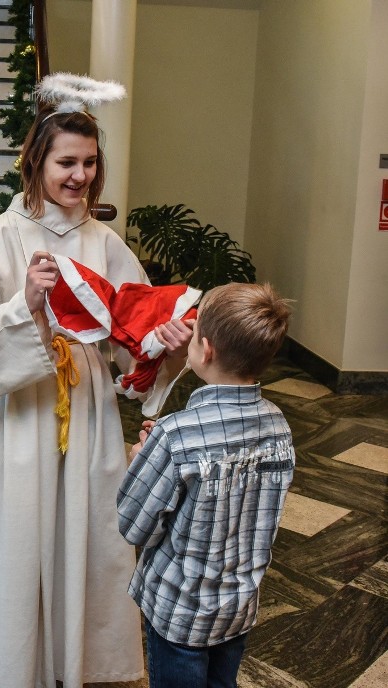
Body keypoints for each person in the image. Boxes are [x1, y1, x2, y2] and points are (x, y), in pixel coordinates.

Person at [0, 99, 192, 686]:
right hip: (24, 406)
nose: (80, 176)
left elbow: (135, 331)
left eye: (90, 163)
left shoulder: (104, 240)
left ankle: (81, 661)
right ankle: (13, 665)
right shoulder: (0, 235)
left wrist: (165, 338)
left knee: (91, 530)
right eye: (66, 162)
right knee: (18, 534)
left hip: (90, 404)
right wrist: (25, 305)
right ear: (36, 163)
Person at [117, 282, 294, 688]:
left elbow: (135, 525)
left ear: (206, 349)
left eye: (194, 333)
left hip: (180, 610)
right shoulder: (279, 425)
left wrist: (141, 461)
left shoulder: (176, 435)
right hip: (239, 603)